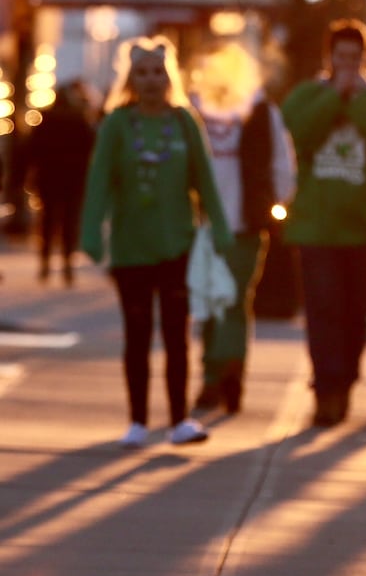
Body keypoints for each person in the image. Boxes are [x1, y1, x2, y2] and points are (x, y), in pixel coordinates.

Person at [81, 35, 233, 448]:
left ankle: (180, 419)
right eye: (142, 73)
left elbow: (205, 181)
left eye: (157, 73)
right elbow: (99, 183)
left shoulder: (185, 122)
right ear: (131, 78)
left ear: (169, 77)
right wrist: (91, 230)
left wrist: (219, 226)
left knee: (176, 334)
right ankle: (137, 420)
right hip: (131, 248)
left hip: (176, 246)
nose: (150, 81)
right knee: (137, 333)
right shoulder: (117, 124)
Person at [282, 18, 366, 427]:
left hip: (362, 229)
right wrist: (335, 97)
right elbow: (299, 133)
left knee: (355, 312)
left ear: (365, 59)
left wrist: (356, 100)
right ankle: (325, 389)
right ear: (329, 57)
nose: (349, 65)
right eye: (342, 57)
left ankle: (346, 381)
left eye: (356, 58)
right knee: (323, 311)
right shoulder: (307, 96)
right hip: (316, 228)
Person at [189, 43, 296, 414]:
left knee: (232, 299)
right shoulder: (196, 112)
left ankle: (220, 377)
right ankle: (219, 372)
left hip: (246, 225)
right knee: (209, 301)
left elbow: (282, 165)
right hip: (203, 227)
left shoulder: (262, 113)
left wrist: (273, 205)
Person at [24, 80, 97, 286]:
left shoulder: (46, 120)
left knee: (47, 222)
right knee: (69, 223)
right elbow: (90, 149)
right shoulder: (79, 120)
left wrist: (30, 174)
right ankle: (67, 266)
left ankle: (45, 264)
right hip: (72, 180)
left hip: (49, 178)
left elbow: (32, 149)